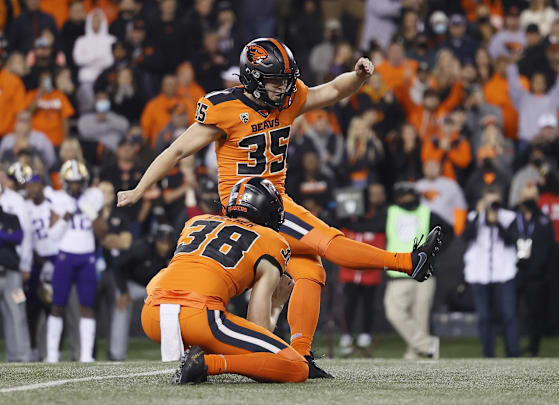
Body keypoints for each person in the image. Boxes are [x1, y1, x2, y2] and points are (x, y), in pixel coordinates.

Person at [117, 38, 443, 377]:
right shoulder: (225, 108)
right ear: (253, 78)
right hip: (247, 206)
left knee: (311, 268)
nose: (283, 86)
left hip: (273, 201)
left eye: (287, 78)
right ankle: (407, 261)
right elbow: (176, 151)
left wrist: (357, 77)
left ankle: (299, 354)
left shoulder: (288, 99)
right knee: (326, 240)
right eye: (275, 80)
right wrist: (141, 188)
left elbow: (331, 91)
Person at [142, 178, 308, 384]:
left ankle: (198, 354)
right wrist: (277, 305)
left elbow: (158, 281)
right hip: (199, 316)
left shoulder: (196, 222)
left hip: (152, 314)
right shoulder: (272, 241)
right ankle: (207, 364)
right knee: (297, 367)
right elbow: (259, 330)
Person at [45, 160, 104, 363]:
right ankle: (52, 354)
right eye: (71, 182)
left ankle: (86, 355)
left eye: (78, 182)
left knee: (86, 305)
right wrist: (65, 217)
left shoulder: (93, 197)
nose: (75, 186)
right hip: (65, 255)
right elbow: (52, 235)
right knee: (57, 304)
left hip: (87, 256)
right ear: (64, 182)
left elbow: (102, 232)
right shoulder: (58, 199)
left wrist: (91, 213)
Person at [384, 182, 448, 360]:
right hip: (399, 273)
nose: (408, 199)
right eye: (404, 195)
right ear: (397, 198)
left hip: (424, 274)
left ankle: (417, 353)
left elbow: (448, 232)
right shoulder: (390, 213)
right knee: (394, 313)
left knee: (421, 318)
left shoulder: (427, 213)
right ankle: (426, 345)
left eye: (411, 195)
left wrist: (432, 254)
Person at [462, 186, 519, 357]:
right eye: (489, 201)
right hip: (479, 273)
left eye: (495, 201)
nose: (492, 205)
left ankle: (513, 353)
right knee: (484, 317)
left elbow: (511, 240)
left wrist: (497, 223)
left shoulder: (509, 217)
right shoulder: (473, 217)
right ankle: (488, 354)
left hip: (504, 272)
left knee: (508, 315)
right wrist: (479, 214)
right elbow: (466, 236)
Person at [337, 183, 387, 356]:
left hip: (370, 273)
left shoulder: (381, 217)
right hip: (350, 272)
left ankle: (366, 333)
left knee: (368, 304)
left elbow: (379, 240)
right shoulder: (349, 220)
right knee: (349, 304)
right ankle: (346, 334)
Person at [110, 224, 171, 361]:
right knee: (121, 307)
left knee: (173, 310)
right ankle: (116, 355)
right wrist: (123, 291)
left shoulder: (175, 252)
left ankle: (173, 353)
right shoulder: (141, 248)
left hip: (157, 289)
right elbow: (118, 267)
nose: (165, 246)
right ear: (155, 240)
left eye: (168, 243)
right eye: (162, 242)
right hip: (133, 285)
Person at [509, 184, 554, 357]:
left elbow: (549, 247)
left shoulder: (543, 219)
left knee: (535, 311)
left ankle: (534, 347)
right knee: (512, 310)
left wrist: (542, 268)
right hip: (514, 270)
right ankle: (512, 347)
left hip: (536, 273)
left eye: (532, 196)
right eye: (525, 197)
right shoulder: (513, 217)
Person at [24, 174, 59, 361]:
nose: (31, 189)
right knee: (33, 308)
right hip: (35, 261)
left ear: (42, 187)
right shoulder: (25, 207)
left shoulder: (52, 203)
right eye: (29, 186)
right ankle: (33, 349)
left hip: (55, 258)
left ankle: (54, 351)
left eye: (35, 185)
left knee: (54, 306)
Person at [0, 166, 33, 362]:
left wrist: (25, 264)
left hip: (12, 267)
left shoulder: (14, 203)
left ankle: (22, 357)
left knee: (17, 312)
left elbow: (23, 235)